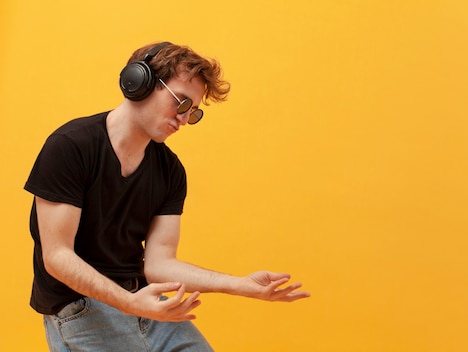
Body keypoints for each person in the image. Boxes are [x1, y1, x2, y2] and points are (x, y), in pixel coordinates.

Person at [24, 41, 310, 352]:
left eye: (194, 112)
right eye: (181, 103)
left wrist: (239, 284)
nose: (185, 119)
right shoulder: (70, 147)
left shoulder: (170, 171)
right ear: (140, 82)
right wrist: (129, 304)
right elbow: (57, 257)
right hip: (83, 306)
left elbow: (159, 264)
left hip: (147, 303)